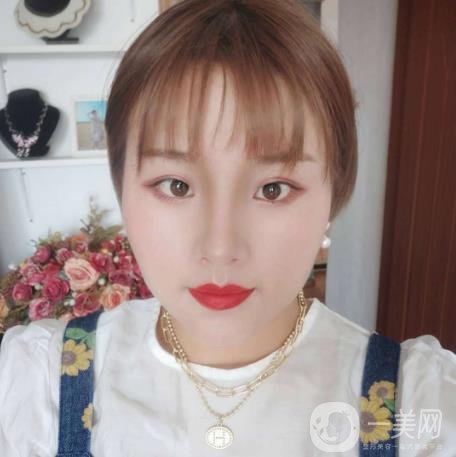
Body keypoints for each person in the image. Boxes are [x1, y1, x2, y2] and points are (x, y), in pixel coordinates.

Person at [1, 1, 455, 456]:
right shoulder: (38, 388)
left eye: (273, 189)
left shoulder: (420, 408)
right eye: (176, 185)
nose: (220, 249)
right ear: (121, 187)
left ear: (334, 196)